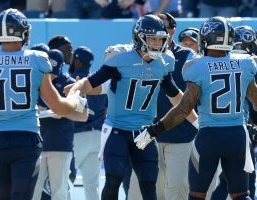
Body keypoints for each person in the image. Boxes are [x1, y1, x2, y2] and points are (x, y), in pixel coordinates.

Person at [65, 14, 198, 200]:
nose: (157, 43)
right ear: (139, 38)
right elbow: (89, 82)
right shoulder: (121, 58)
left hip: (145, 132)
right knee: (114, 178)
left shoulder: (165, 61)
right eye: (152, 38)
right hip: (117, 129)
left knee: (149, 182)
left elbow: (175, 96)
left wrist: (198, 122)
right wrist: (75, 93)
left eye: (160, 39)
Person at [134, 16, 257, 200]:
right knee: (240, 195)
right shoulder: (246, 63)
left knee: (196, 195)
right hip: (237, 136)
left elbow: (183, 109)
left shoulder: (196, 66)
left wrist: (155, 129)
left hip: (209, 137)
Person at [0, 8, 86, 199]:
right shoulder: (36, 59)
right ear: (23, 32)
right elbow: (57, 106)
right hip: (26, 139)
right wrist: (74, 101)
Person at [127, 12, 198, 200]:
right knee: (150, 190)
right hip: (147, 133)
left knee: (178, 189)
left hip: (181, 133)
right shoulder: (135, 55)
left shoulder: (188, 56)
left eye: (162, 27)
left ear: (172, 30)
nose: (156, 33)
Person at [32, 49, 88, 200]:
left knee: (60, 192)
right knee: (33, 192)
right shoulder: (35, 82)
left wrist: (62, 111)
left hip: (60, 145)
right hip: (36, 146)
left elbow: (84, 116)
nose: (50, 77)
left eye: (53, 72)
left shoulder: (70, 84)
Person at [211, 25, 257, 200]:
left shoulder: (211, 64)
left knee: (227, 181)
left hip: (218, 130)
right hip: (236, 130)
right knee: (240, 184)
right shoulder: (249, 67)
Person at [69, 46, 107, 200]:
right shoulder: (98, 81)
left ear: (77, 61)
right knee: (92, 186)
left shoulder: (72, 80)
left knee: (65, 180)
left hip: (77, 136)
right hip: (97, 137)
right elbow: (105, 110)